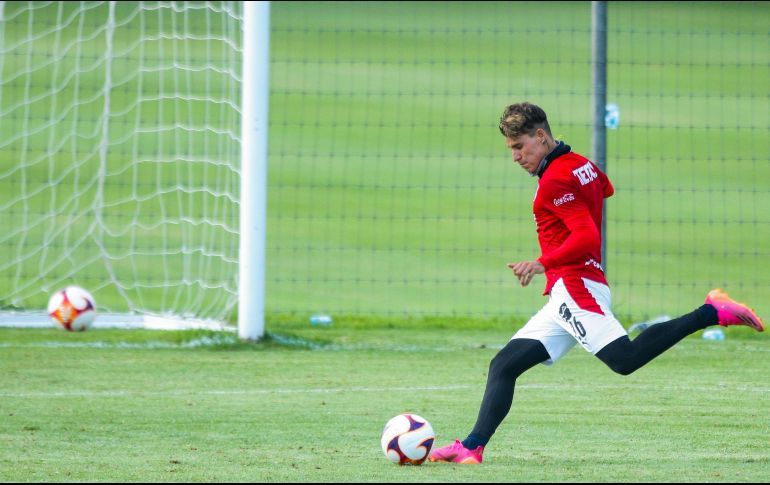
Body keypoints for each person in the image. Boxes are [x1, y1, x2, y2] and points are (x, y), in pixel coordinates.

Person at [428, 102, 765, 465]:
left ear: (540, 137)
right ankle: (472, 446)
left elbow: (587, 236)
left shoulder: (554, 179)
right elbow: (606, 188)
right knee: (504, 365)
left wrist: (543, 261)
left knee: (624, 359)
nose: (515, 156)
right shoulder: (580, 164)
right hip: (571, 287)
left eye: (518, 146)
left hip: (575, 286)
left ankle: (710, 312)